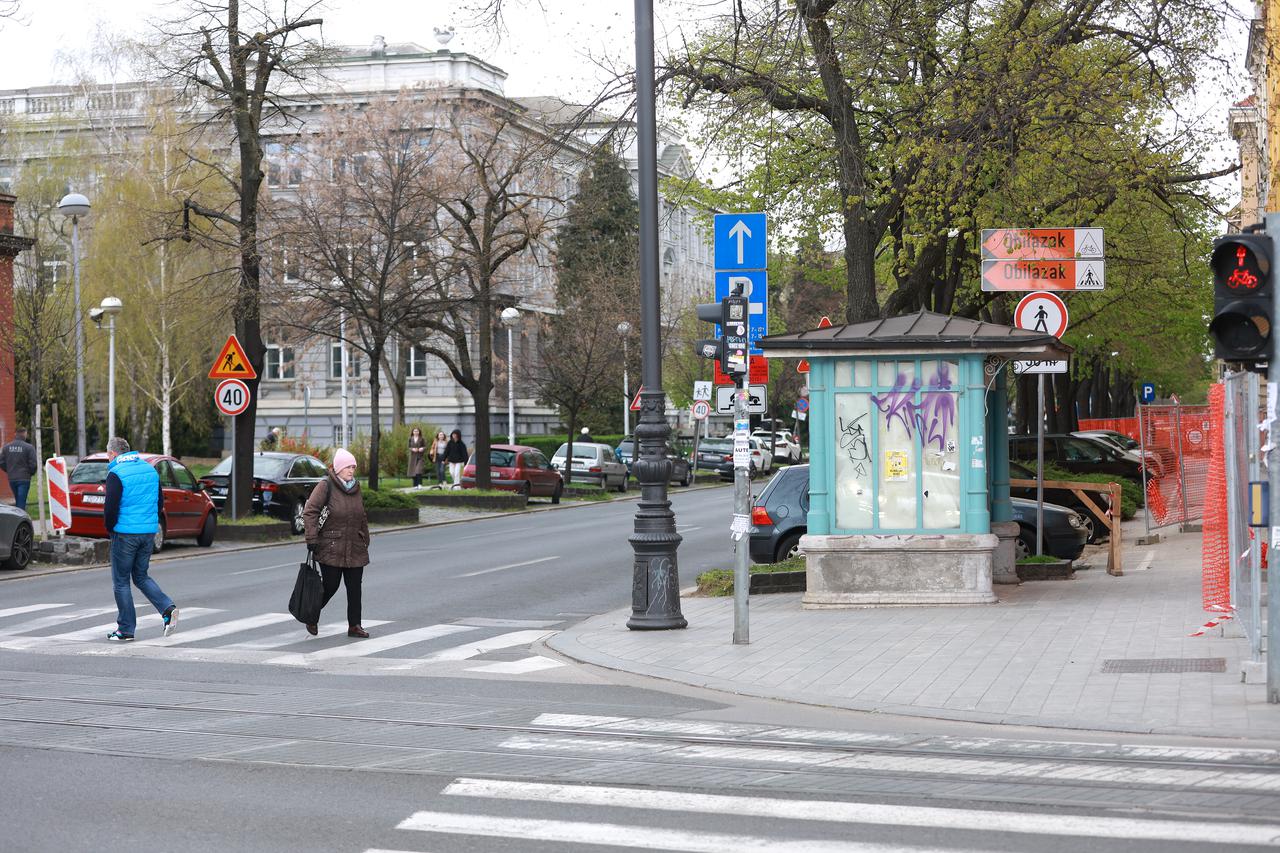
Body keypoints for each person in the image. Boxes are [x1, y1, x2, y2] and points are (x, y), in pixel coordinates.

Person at [102, 437, 178, 641]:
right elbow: (159, 501)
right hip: (148, 532)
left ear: (114, 454)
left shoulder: (116, 473)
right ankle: (167, 608)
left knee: (121, 582)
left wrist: (110, 529)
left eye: (108, 454)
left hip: (125, 533)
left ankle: (126, 629)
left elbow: (110, 508)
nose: (108, 457)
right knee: (141, 576)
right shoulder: (149, 469)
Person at [302, 448, 370, 638]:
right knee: (330, 586)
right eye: (348, 467)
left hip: (355, 545)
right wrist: (312, 538)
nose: (351, 470)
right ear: (338, 468)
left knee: (355, 588)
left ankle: (354, 625)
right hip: (331, 545)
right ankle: (312, 615)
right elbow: (310, 512)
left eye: (353, 467)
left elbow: (361, 514)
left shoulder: (356, 487)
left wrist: (365, 537)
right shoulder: (326, 485)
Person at [0, 427, 37, 511]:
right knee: (21, 502)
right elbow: (33, 464)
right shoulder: (29, 447)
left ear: (15, 434)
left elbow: (1, 462)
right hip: (24, 478)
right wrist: (30, 473)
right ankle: (21, 521)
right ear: (25, 434)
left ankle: (19, 518)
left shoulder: (7, 447)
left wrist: (9, 470)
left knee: (18, 500)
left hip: (12, 478)